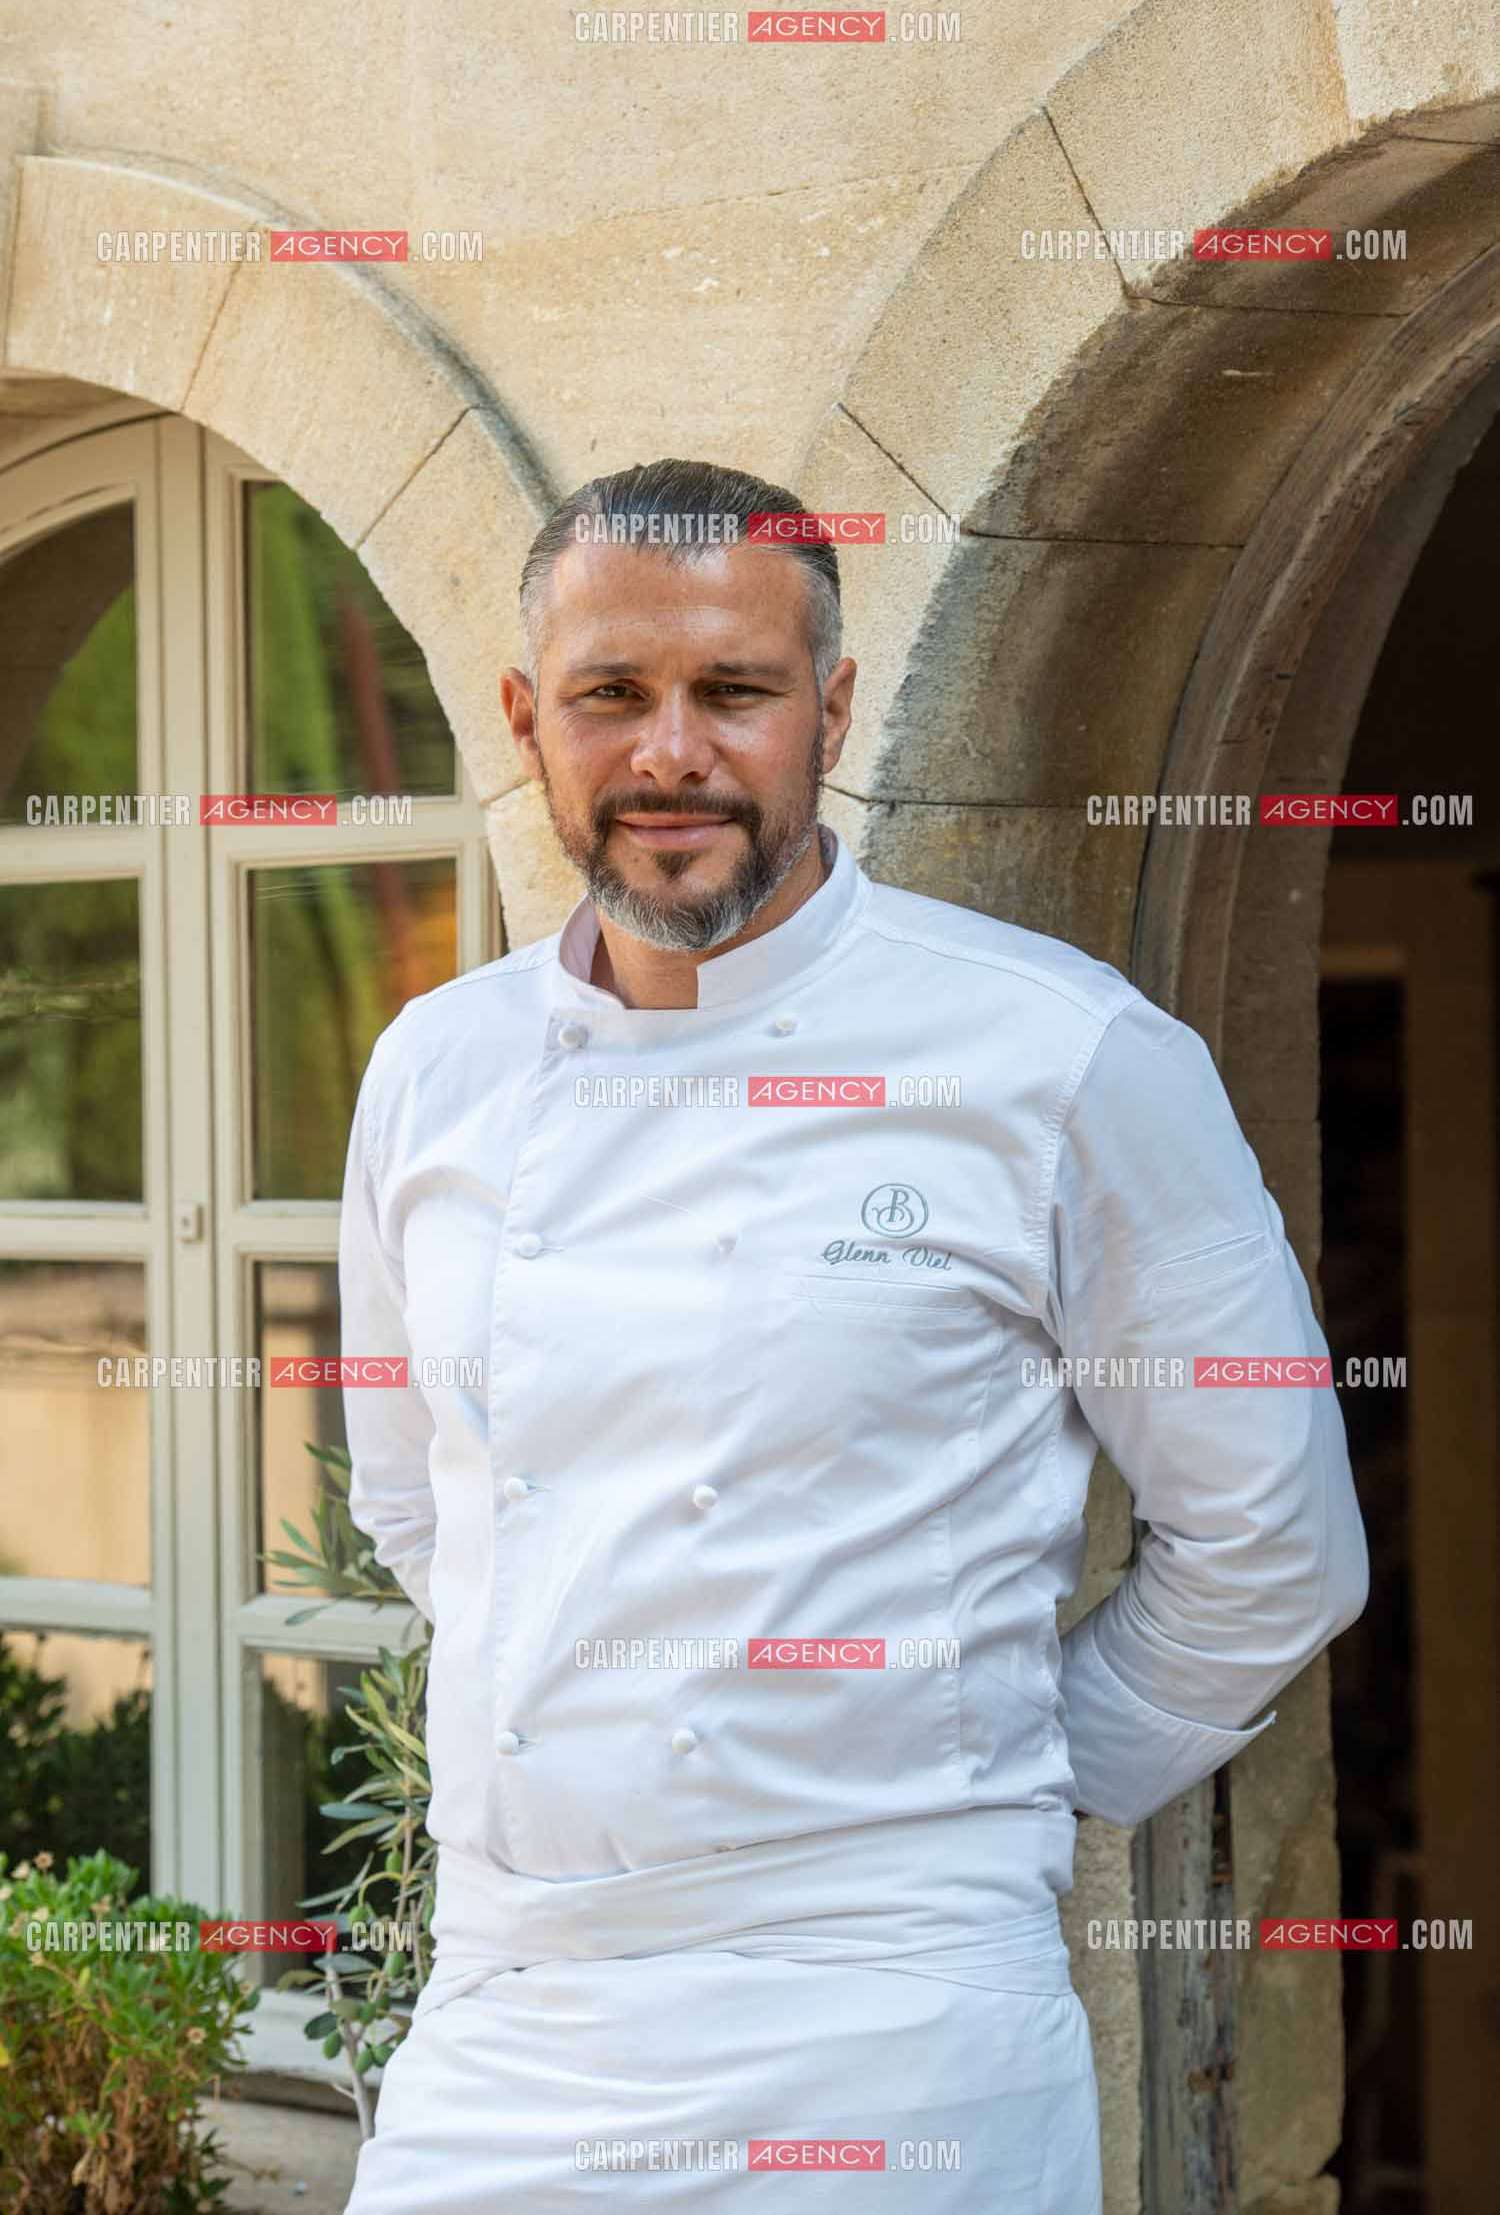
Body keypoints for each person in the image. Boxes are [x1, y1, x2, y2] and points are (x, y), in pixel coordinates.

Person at [337, 457, 1369, 2212]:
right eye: (611, 694)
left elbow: (1276, 1548)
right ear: (526, 718)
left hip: (894, 2042)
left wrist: (983, 1792)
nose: (671, 753)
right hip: (510, 2026)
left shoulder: (1061, 1057)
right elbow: (425, 1510)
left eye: (731, 691)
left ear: (829, 707)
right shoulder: (433, 1070)